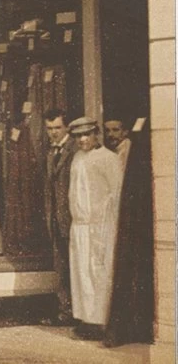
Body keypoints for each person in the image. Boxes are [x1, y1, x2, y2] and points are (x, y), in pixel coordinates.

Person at [66, 117, 124, 341]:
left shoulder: (108, 159)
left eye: (87, 135)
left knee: (98, 271)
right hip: (79, 225)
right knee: (81, 272)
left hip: (100, 226)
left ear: (95, 134)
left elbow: (116, 192)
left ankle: (100, 321)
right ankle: (86, 319)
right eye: (78, 136)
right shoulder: (77, 158)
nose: (82, 140)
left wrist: (106, 221)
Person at [41, 109, 76, 326]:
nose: (53, 133)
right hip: (55, 218)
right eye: (49, 129)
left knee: (75, 266)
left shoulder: (75, 149)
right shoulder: (49, 151)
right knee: (61, 266)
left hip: (73, 219)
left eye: (57, 128)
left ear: (66, 128)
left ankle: (78, 313)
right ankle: (65, 311)